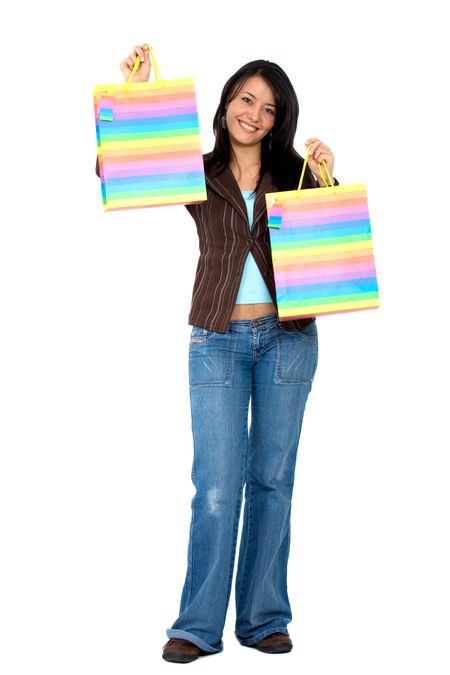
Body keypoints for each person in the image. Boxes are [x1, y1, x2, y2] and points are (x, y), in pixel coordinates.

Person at [105, 44, 336, 664]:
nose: (254, 114)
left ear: (279, 117)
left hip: (288, 341)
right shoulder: (198, 173)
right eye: (245, 99)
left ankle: (263, 620)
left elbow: (329, 245)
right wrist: (138, 97)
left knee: (272, 481)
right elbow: (120, 169)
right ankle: (197, 627)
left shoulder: (291, 175)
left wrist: (325, 180)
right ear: (228, 102)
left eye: (268, 107)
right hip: (216, 340)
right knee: (214, 486)